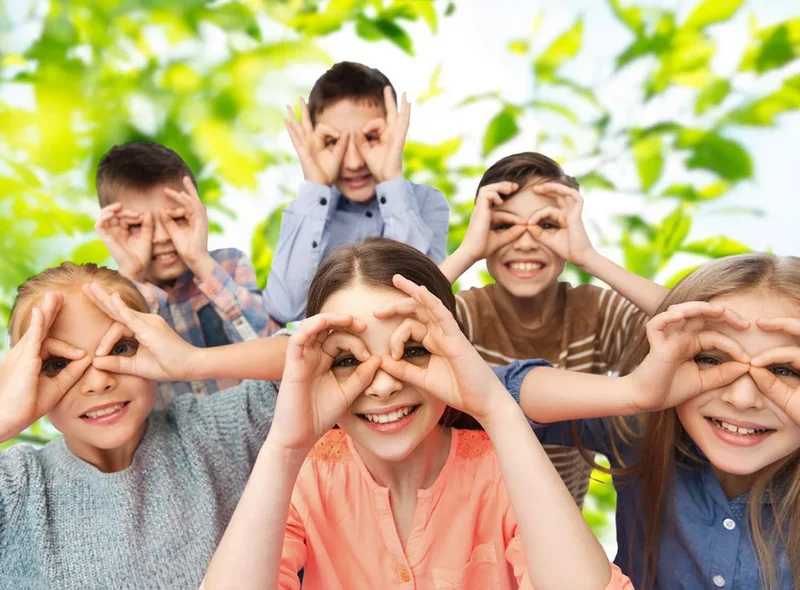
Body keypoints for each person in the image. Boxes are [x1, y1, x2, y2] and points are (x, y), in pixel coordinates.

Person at [202, 238, 633, 590]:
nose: (384, 384)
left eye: (412, 351)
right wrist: (284, 447)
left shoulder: (501, 469)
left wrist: (497, 408)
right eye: (348, 359)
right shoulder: (308, 475)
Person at [506, 253, 800, 589]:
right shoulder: (641, 427)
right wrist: (631, 392)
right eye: (711, 359)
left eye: (784, 370)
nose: (742, 399)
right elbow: (481, 394)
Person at [0, 262, 287, 588]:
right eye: (58, 364)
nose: (98, 382)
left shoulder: (211, 433)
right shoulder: (16, 488)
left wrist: (194, 361)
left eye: (121, 348)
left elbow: (329, 355)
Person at [439, 151, 668, 506]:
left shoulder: (594, 313)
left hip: (561, 524)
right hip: (469, 521)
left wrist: (589, 257)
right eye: (503, 225)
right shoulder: (465, 315)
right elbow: (387, 324)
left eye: (547, 225)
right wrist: (467, 251)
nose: (526, 241)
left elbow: (699, 322)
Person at [266, 62, 450, 325]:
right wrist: (315, 183)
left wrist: (390, 178)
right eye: (332, 142)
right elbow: (285, 309)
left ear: (396, 132)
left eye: (371, 137)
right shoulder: (307, 211)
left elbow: (418, 301)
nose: (353, 162)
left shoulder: (427, 202)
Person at [95, 141, 277, 405]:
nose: (160, 237)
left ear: (199, 214)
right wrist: (131, 277)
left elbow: (275, 347)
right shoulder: (109, 299)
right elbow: (112, 379)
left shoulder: (228, 265)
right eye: (136, 225)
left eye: (177, 219)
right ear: (111, 230)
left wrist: (200, 261)